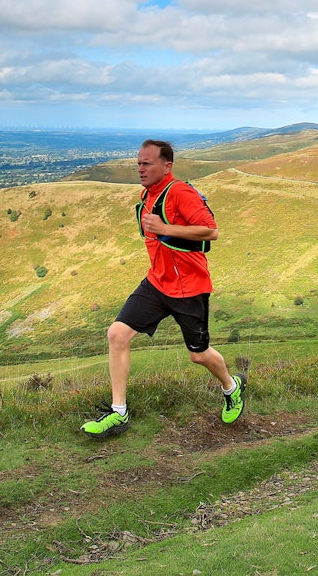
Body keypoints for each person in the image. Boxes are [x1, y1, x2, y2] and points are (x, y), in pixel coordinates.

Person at [80, 139, 245, 438]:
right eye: (139, 163)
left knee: (199, 354)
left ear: (167, 166)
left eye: (147, 163)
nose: (140, 168)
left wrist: (165, 228)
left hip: (189, 288)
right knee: (117, 334)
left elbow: (211, 230)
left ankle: (231, 387)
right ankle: (119, 413)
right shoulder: (148, 195)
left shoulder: (180, 192)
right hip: (157, 283)